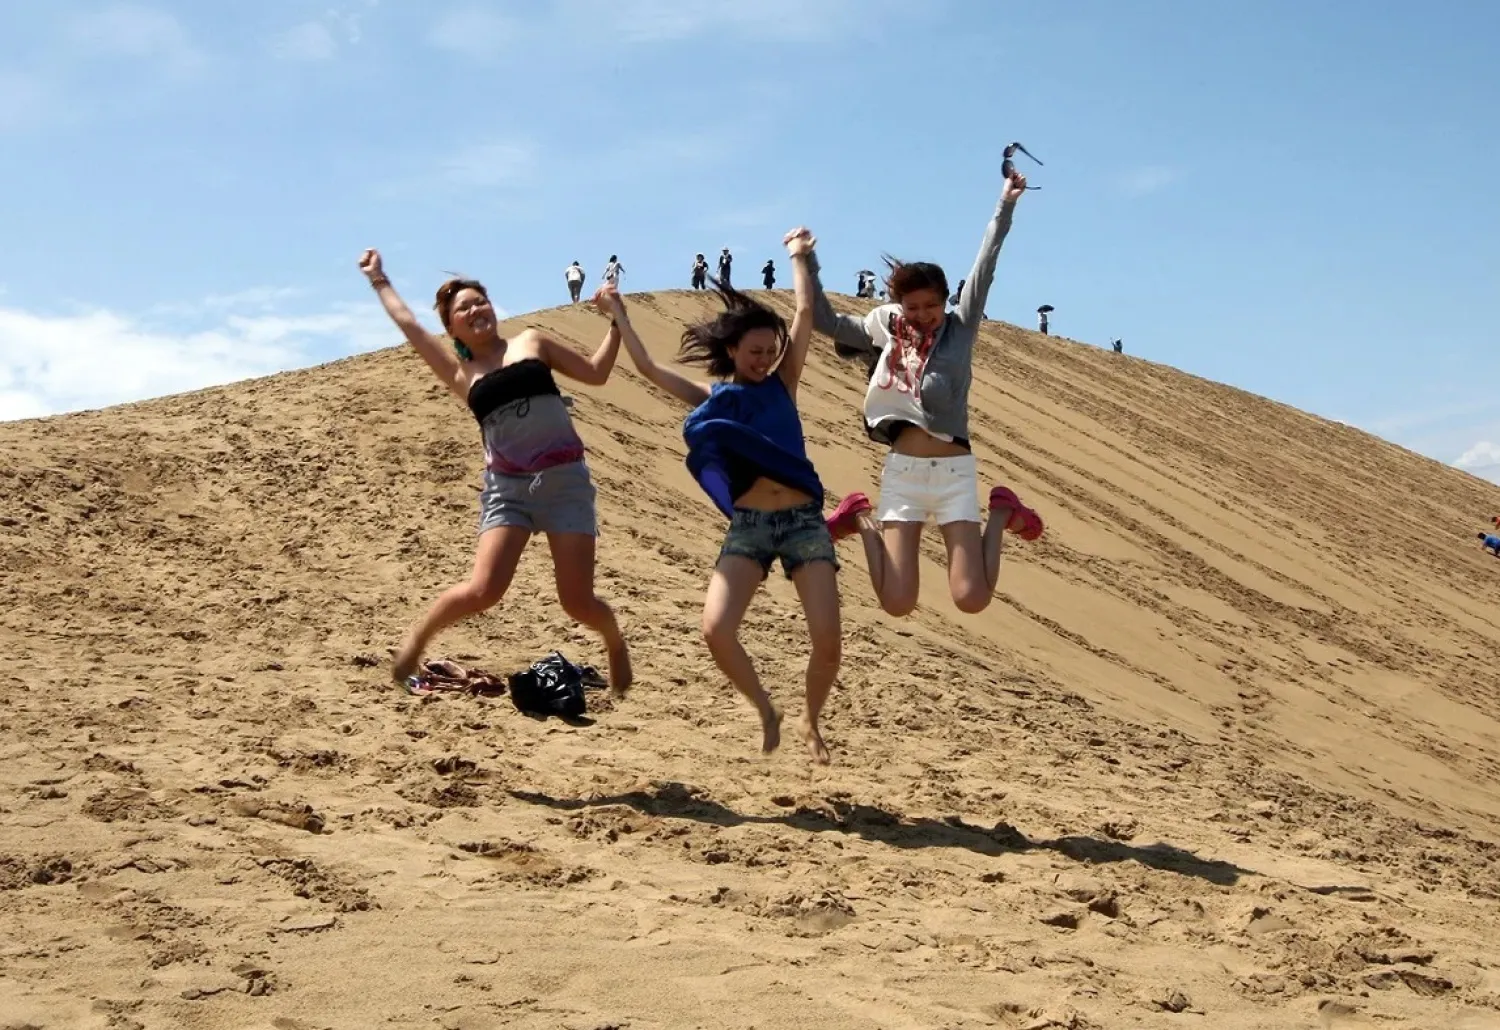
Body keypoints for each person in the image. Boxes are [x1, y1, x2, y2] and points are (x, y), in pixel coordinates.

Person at [609, 228, 841, 764]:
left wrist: (801, 257)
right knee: (715, 630)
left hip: (805, 522)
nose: (764, 359)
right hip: (751, 526)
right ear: (732, 349)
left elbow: (804, 313)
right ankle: (765, 708)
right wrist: (618, 315)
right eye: (755, 351)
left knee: (827, 642)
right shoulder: (716, 398)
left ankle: (812, 719)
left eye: (770, 351)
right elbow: (645, 369)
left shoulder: (784, 384)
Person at [356, 248, 633, 694]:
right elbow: (410, 326)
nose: (475, 309)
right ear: (452, 327)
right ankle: (418, 640)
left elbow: (597, 373)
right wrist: (379, 280)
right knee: (484, 589)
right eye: (463, 308)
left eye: (479, 301)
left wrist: (617, 321)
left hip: (565, 483)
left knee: (578, 602)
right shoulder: (460, 374)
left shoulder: (531, 342)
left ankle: (614, 641)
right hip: (508, 489)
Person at [804, 170, 1044, 618]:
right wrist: (807, 264)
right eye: (913, 307)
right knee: (897, 602)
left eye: (932, 305)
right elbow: (823, 320)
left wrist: (1005, 205)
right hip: (904, 474)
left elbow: (985, 265)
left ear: (945, 300)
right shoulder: (887, 334)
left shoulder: (960, 329)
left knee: (971, 599)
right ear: (900, 306)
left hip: (954, 473)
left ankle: (1001, 512)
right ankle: (858, 517)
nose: (923, 315)